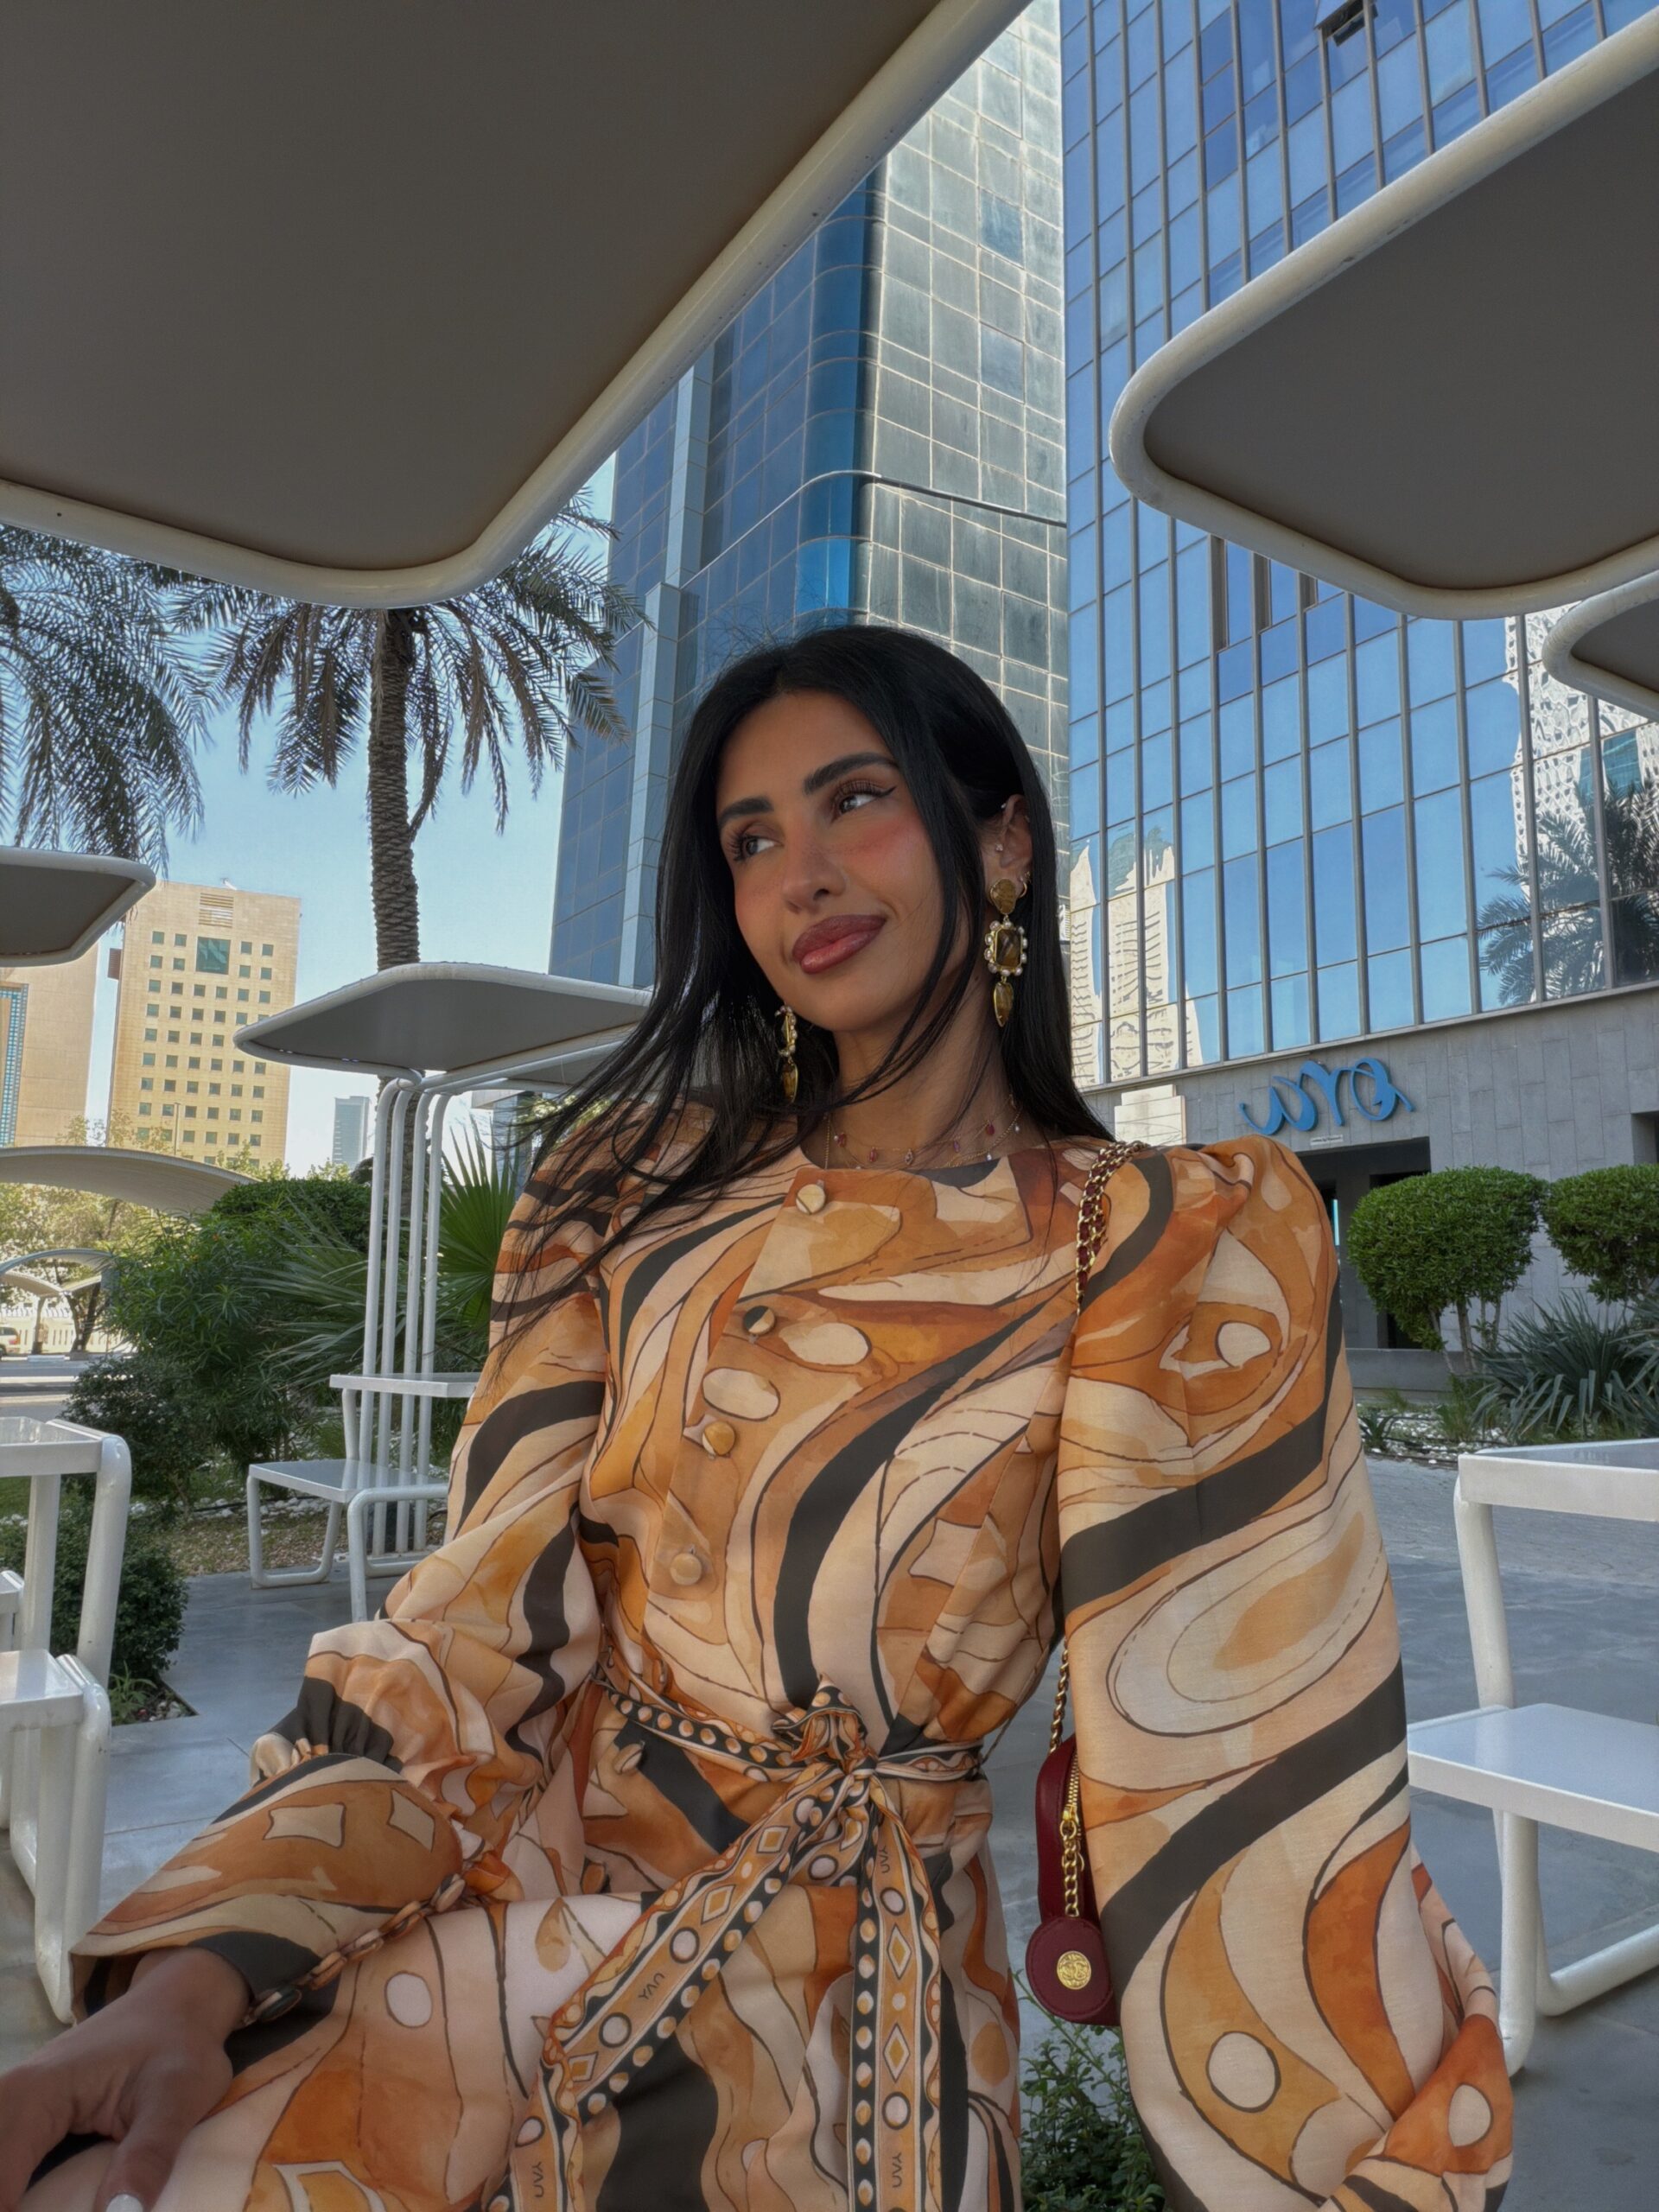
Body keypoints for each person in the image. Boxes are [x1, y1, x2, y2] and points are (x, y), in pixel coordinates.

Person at [0, 626, 1511, 2212]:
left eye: (855, 800)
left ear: (1002, 843)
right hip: (514, 1949)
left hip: (859, 2050)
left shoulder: (1159, 1241)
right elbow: (466, 1640)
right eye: (751, 840)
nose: (804, 876)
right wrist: (198, 1980)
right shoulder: (626, 1200)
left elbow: (1259, 1768)